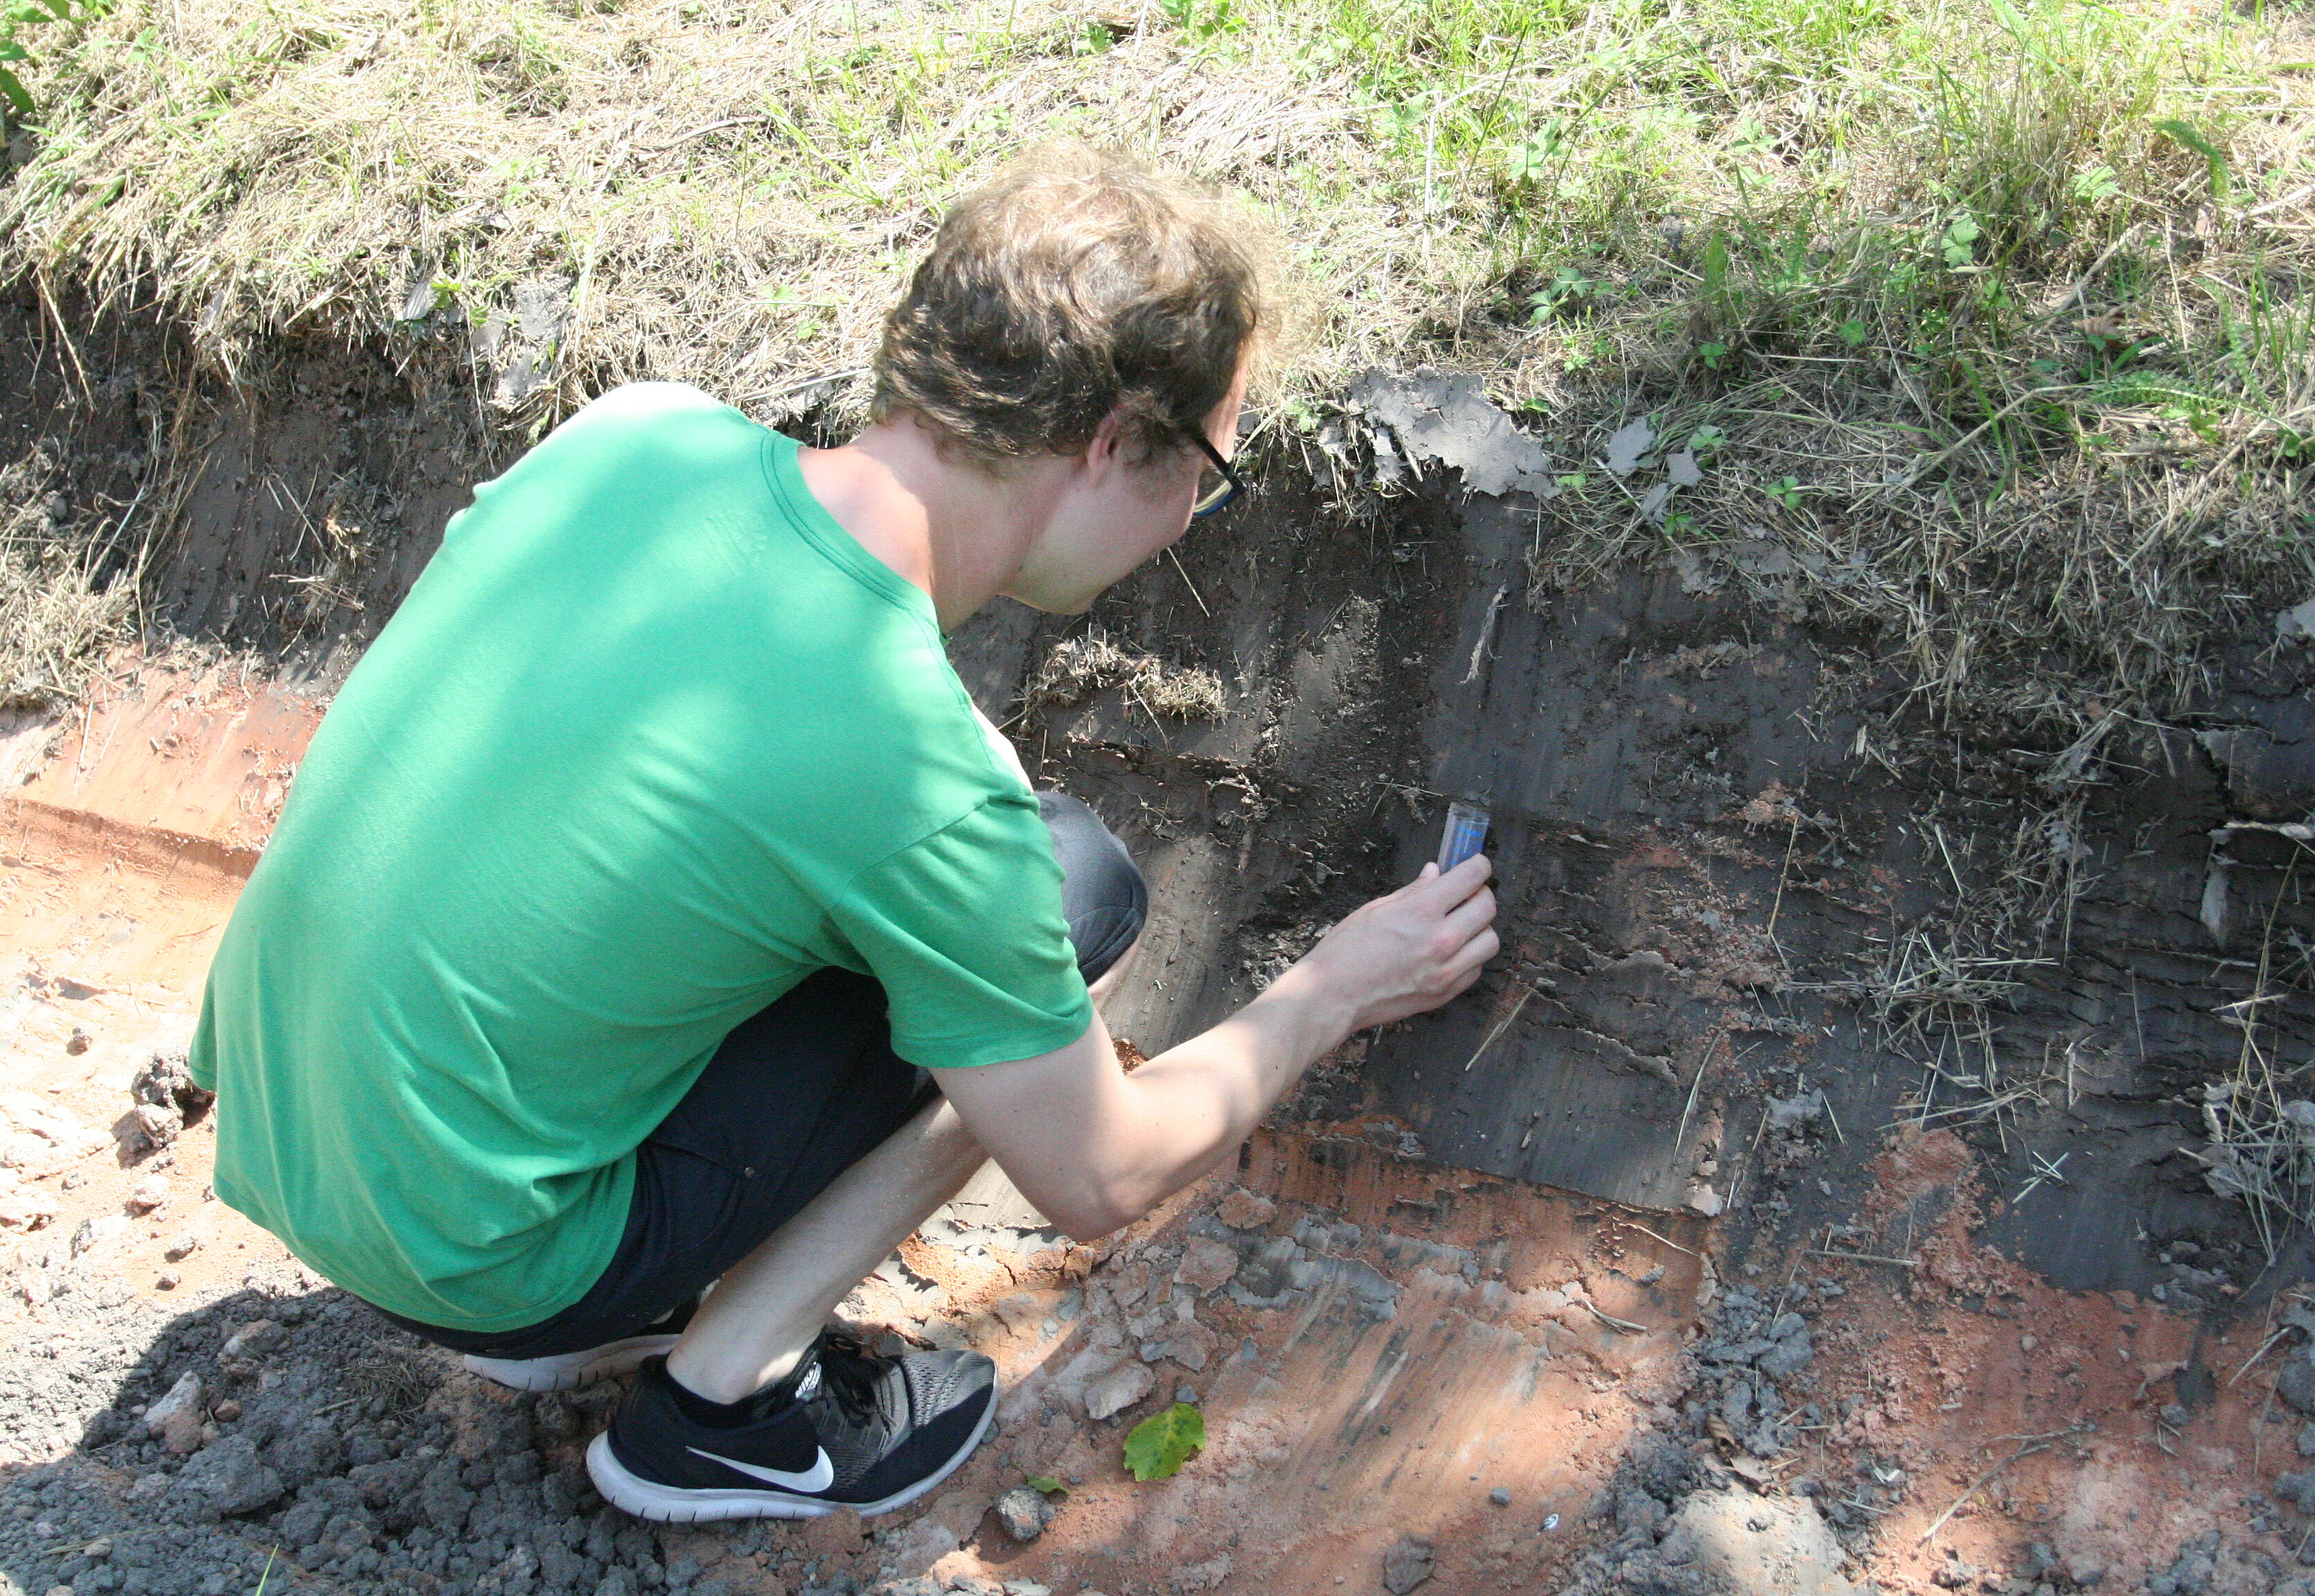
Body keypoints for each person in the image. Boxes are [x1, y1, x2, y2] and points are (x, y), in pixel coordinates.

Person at [188, 145, 1498, 1526]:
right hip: (472, 1256)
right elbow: (1098, 1172)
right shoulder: (912, 773)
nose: (1187, 522)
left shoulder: (635, 431)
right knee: (1073, 896)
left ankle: (568, 1301)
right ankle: (724, 1409)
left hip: (289, 1141)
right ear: (1113, 440)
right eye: (1204, 477)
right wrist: (1334, 990)